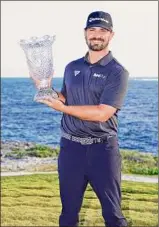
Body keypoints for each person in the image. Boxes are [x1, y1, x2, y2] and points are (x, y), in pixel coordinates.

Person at [34, 11, 129, 227]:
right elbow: (64, 98)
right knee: (68, 215)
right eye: (92, 30)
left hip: (102, 152)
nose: (97, 35)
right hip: (70, 150)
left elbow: (102, 112)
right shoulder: (72, 67)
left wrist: (63, 108)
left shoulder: (117, 72)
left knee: (113, 215)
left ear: (111, 35)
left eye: (102, 31)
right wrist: (45, 87)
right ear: (85, 33)